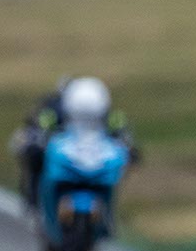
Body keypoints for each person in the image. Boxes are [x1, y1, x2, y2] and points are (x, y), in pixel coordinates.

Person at [13, 76, 136, 212]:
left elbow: (123, 136)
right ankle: (34, 200)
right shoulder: (52, 111)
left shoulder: (111, 117)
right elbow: (33, 132)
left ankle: (106, 213)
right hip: (66, 158)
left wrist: (128, 148)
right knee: (36, 161)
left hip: (92, 161)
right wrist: (35, 141)